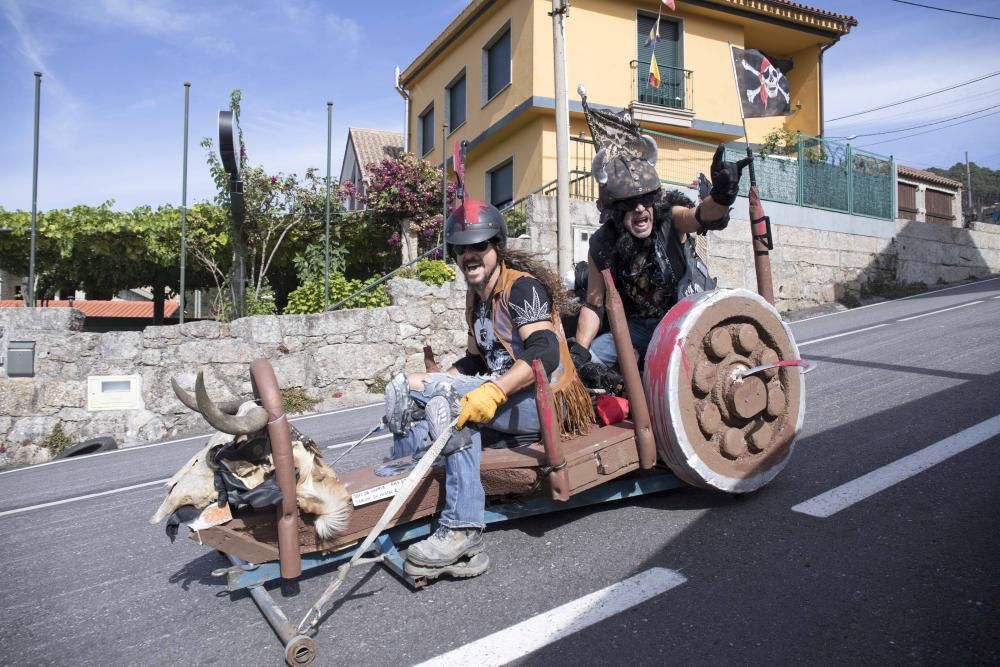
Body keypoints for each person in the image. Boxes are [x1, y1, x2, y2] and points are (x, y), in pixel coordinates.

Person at [383, 199, 593, 580]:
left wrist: (491, 392)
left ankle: (463, 530)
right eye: (462, 249)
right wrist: (439, 379)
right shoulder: (476, 299)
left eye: (479, 246)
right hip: (510, 394)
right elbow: (475, 362)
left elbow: (544, 352)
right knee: (405, 391)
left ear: (497, 246)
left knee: (450, 403)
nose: (470, 255)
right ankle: (404, 493)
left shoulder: (522, 288)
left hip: (547, 399)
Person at [571, 145, 746, 369]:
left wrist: (722, 196)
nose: (640, 208)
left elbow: (699, 216)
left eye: (647, 199)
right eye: (630, 203)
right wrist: (581, 350)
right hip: (636, 329)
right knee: (593, 360)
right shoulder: (602, 243)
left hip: (685, 320)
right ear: (615, 210)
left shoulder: (669, 220)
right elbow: (594, 305)